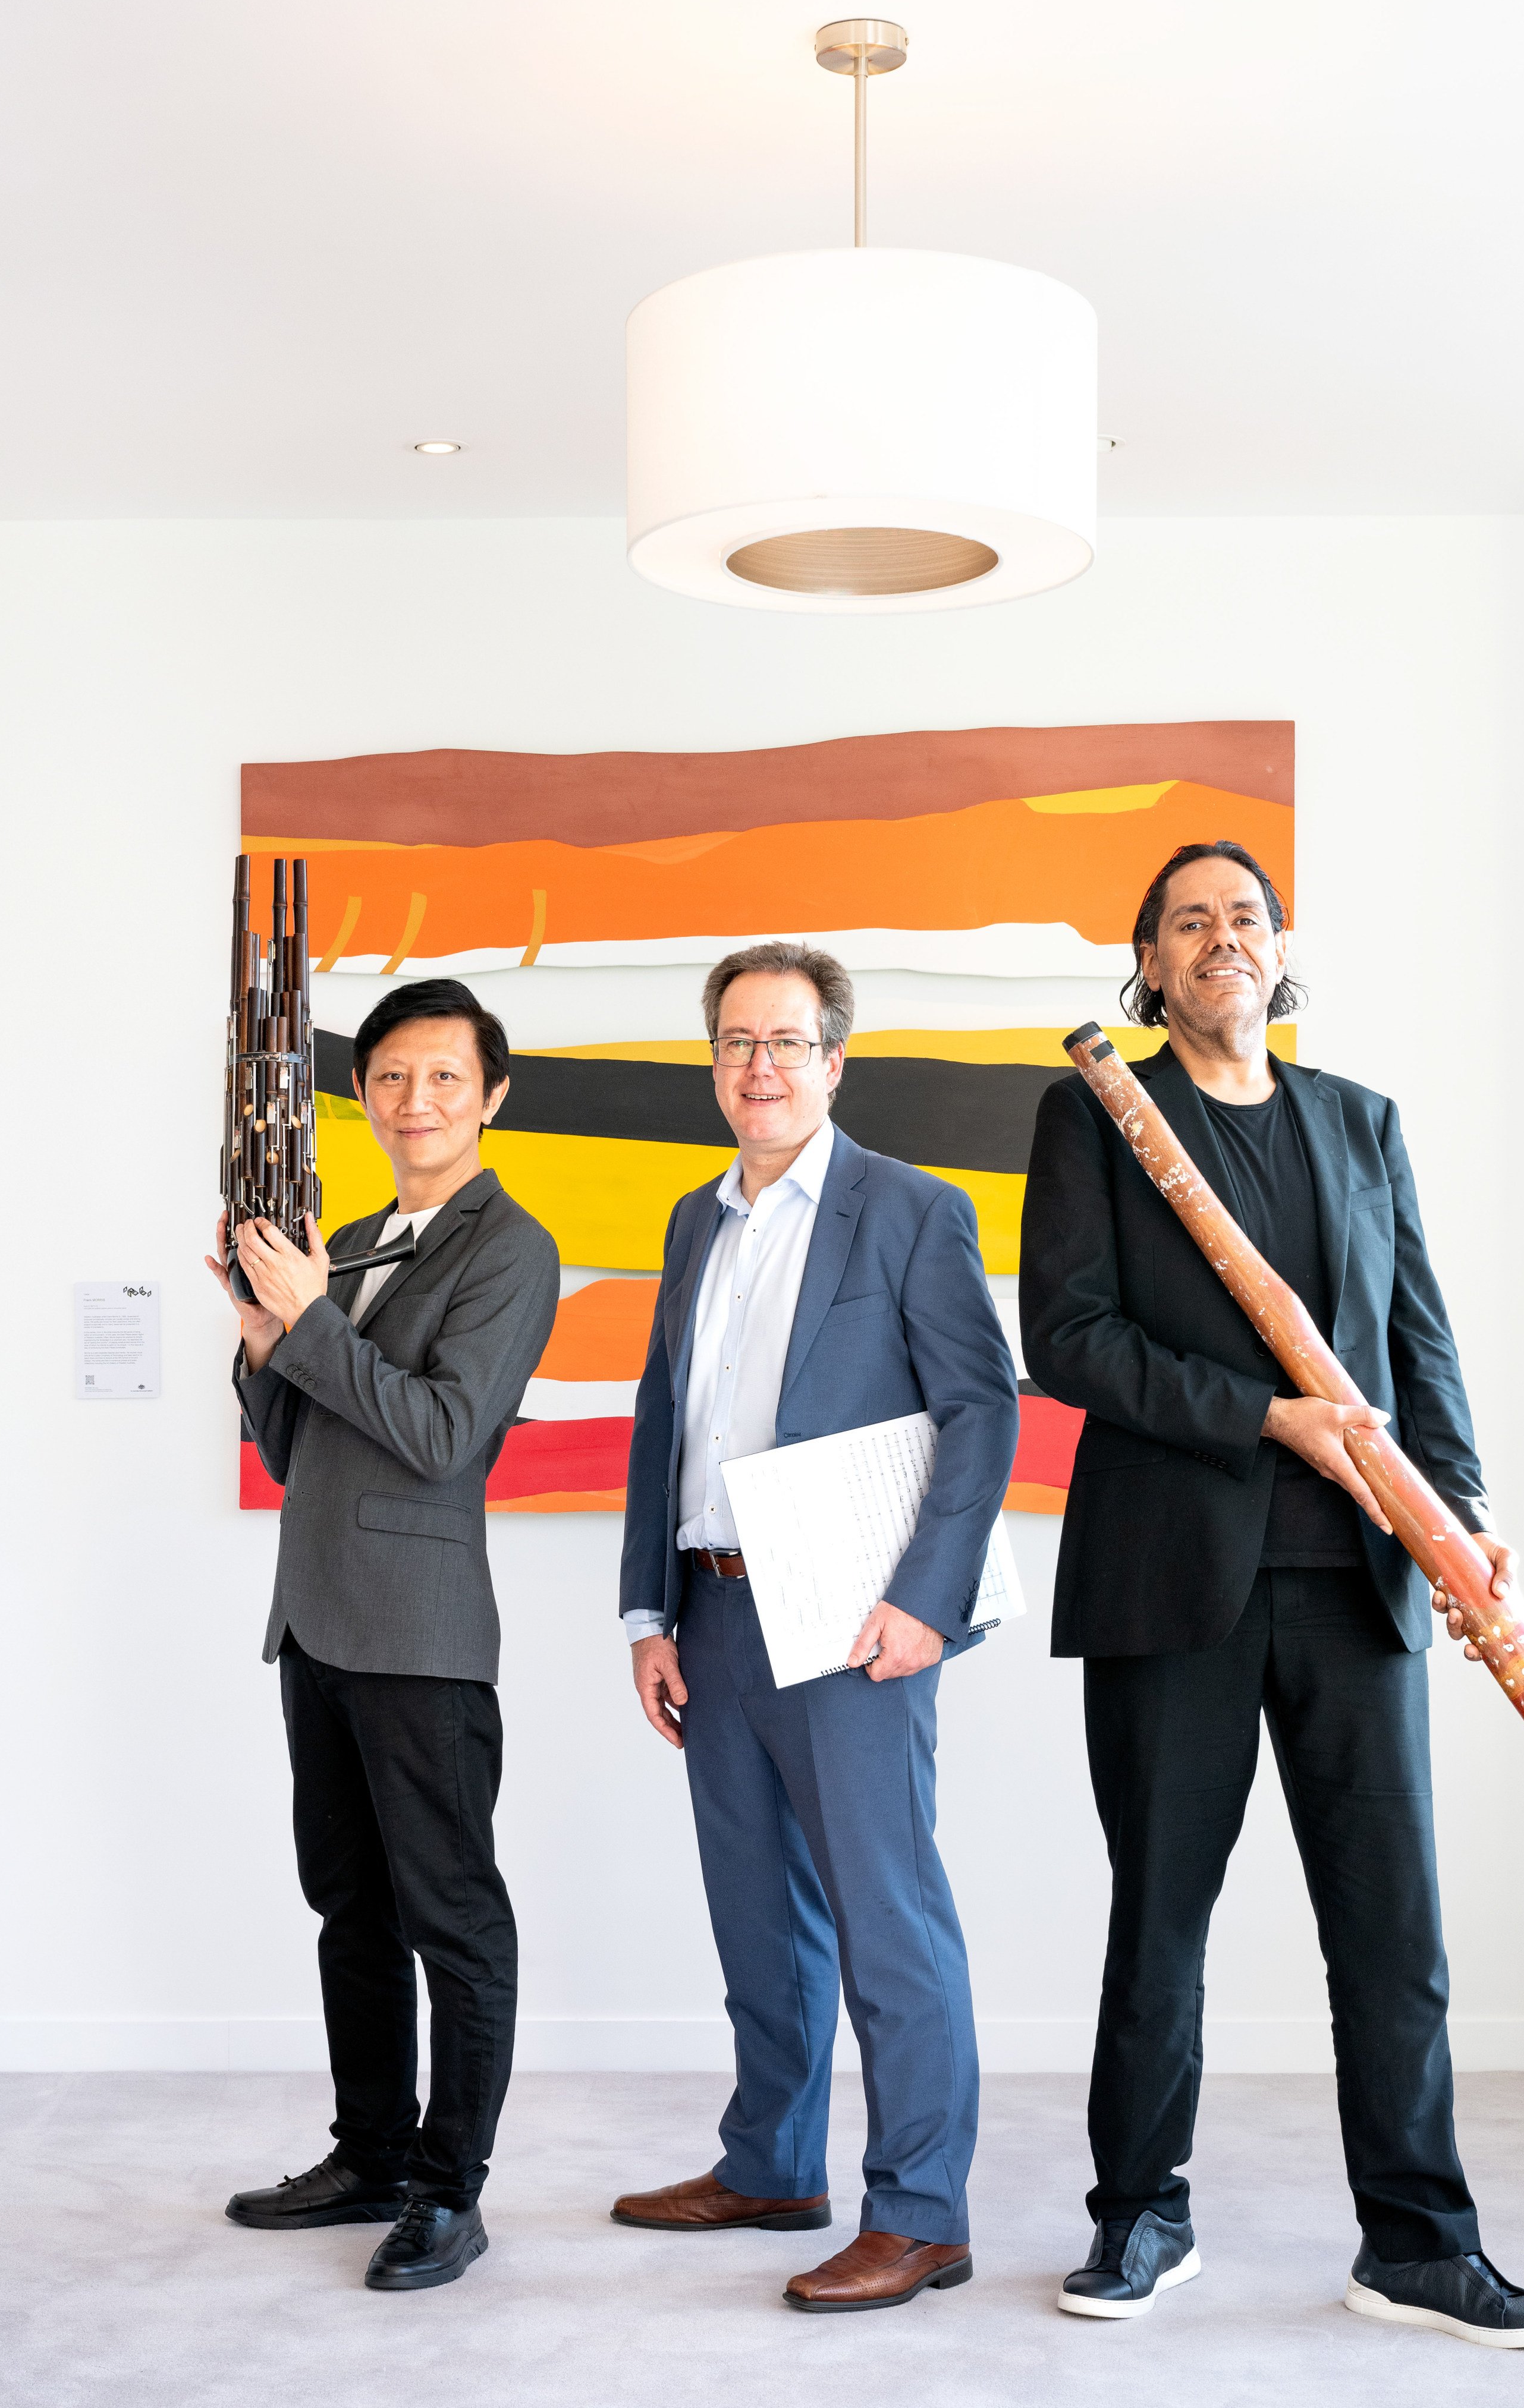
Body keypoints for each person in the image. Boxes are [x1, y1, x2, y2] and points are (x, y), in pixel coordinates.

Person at [1019, 841, 1524, 2349]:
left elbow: (1420, 1343)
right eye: (1187, 921)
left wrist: (1468, 1519)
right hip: (1169, 1583)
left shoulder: (1361, 1123)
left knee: (1394, 1929)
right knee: (1162, 1922)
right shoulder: (1097, 1116)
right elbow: (1068, 1340)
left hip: (1360, 1583)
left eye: (1243, 916)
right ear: (1148, 964)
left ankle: (1418, 2240)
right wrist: (1270, 1416)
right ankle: (1140, 2212)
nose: (1221, 939)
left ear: (1279, 948)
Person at [612, 941, 1018, 2314]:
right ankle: (773, 2163)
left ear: (834, 1061)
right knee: (758, 1912)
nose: (759, 1066)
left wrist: (927, 1601)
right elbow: (664, 1425)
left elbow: (982, 1408)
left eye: (786, 1042)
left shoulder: (908, 1209)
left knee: (886, 1912)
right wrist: (648, 1608)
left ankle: (920, 2211)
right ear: (712, 1062)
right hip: (713, 1610)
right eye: (735, 1042)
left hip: (852, 1617)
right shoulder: (693, 1220)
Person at [208, 977, 559, 2293]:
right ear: (366, 1096)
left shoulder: (511, 1247)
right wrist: (261, 1343)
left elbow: (439, 1434)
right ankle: (370, 2151)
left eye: (446, 1078)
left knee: (451, 1914)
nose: (416, 1100)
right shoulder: (344, 1237)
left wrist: (305, 1320)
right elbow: (304, 1448)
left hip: (421, 1633)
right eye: (394, 1077)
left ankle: (448, 2186)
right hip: (316, 1620)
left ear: (493, 1094)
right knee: (348, 1902)